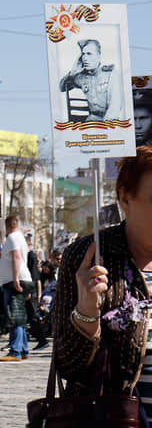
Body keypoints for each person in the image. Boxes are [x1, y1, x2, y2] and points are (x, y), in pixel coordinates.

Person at [53, 145, 152, 417]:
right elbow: (68, 366)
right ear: (125, 199)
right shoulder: (90, 257)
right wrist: (86, 312)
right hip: (117, 419)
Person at [0, 215, 34, 362]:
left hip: (15, 280)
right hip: (21, 278)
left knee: (14, 315)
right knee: (20, 314)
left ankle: (15, 350)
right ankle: (23, 348)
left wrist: (15, 278)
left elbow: (16, 257)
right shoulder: (20, 238)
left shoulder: (12, 237)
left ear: (8, 226)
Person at [58, 38, 124, 121]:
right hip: (91, 120)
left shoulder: (110, 74)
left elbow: (115, 107)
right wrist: (72, 73)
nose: (85, 58)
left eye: (89, 54)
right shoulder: (81, 76)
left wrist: (106, 128)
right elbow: (61, 87)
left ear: (99, 56)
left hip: (109, 121)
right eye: (83, 54)